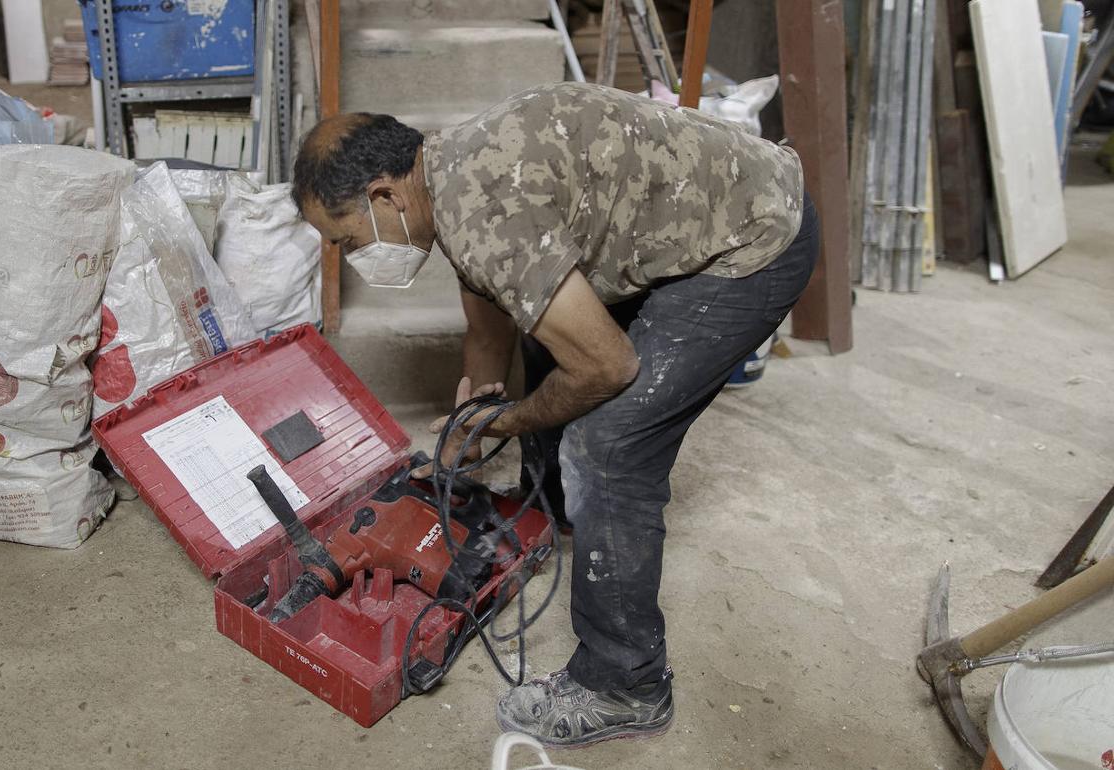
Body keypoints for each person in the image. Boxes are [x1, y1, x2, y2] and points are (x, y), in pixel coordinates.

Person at [291, 81, 818, 747]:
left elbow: (607, 367)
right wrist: (470, 426)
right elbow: (490, 333)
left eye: (343, 239)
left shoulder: (483, 215)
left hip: (756, 236)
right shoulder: (446, 173)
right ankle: (559, 516)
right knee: (550, 328)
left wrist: (511, 421)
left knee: (606, 447)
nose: (347, 256)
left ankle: (624, 684)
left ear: (386, 197)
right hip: (695, 211)